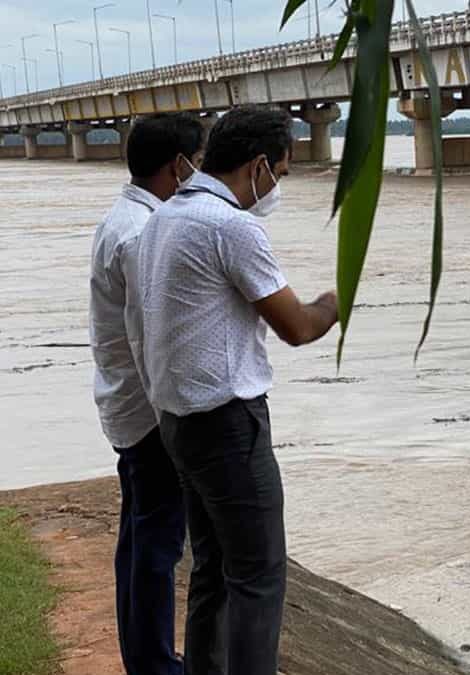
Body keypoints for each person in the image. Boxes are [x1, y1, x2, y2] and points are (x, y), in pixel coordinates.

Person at [137, 104, 339, 675]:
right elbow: (296, 327)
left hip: (178, 420)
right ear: (258, 166)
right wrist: (335, 301)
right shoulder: (232, 226)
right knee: (258, 576)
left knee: (212, 570)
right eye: (281, 169)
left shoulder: (166, 215)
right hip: (227, 423)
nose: (278, 183)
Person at [88, 112, 204, 675]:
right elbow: (148, 335)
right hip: (148, 413)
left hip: (126, 404)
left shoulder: (126, 218)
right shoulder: (142, 233)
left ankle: (147, 655)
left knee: (140, 540)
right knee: (156, 547)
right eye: (198, 163)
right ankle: (154, 664)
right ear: (177, 167)